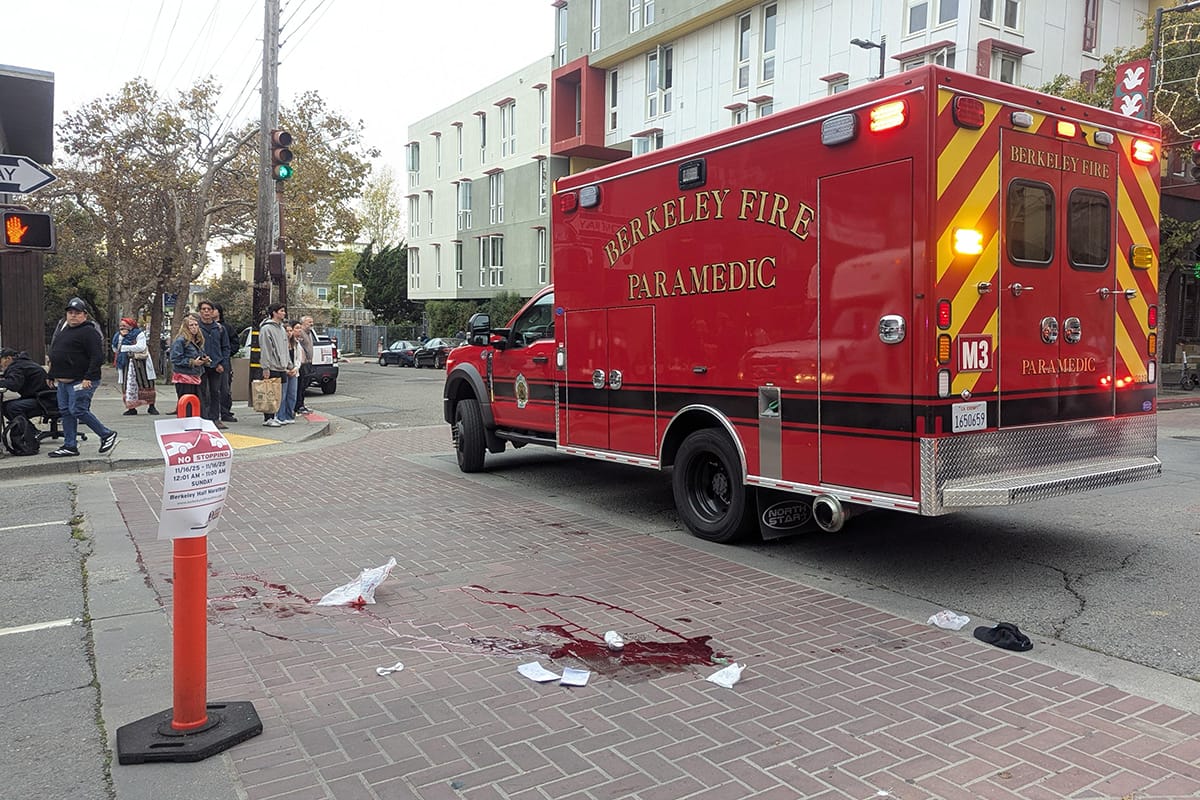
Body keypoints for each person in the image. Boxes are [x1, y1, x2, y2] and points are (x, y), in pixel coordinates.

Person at [46, 297, 119, 458]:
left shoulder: (89, 332)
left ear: (84, 315)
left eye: (77, 313)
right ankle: (70, 445)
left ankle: (106, 434)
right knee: (65, 412)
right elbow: (56, 353)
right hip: (63, 381)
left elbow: (97, 357)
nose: (73, 315)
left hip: (81, 380)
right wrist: (51, 375)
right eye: (70, 312)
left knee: (77, 409)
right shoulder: (65, 329)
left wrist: (88, 377)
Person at [113, 317, 160, 416]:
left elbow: (140, 347)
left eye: (124, 325)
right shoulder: (118, 336)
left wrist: (124, 347)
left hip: (140, 363)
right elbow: (115, 348)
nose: (122, 327)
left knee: (146, 384)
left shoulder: (139, 334)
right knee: (128, 385)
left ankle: (151, 406)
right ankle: (131, 408)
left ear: (131, 325)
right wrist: (122, 339)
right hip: (126, 363)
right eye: (121, 325)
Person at [257, 303, 294, 428]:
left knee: (279, 394)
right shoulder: (266, 328)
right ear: (274, 312)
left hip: (282, 366)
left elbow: (285, 348)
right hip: (272, 365)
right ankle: (268, 418)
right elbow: (266, 349)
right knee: (270, 392)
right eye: (281, 311)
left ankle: (275, 416)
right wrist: (265, 367)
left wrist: (289, 364)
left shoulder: (282, 328)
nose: (284, 313)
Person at [196, 300, 230, 430]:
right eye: (203, 309)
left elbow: (225, 347)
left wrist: (222, 363)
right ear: (200, 312)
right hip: (201, 366)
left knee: (216, 392)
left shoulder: (220, 328)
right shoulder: (196, 328)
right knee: (202, 393)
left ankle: (215, 418)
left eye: (209, 309)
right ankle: (203, 419)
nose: (206, 312)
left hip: (216, 366)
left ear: (213, 312)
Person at [0, 347, 50, 429]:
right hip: (43, 397)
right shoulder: (22, 363)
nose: (0, 365)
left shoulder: (16, 367)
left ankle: (30, 432)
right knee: (6, 407)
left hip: (43, 400)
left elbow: (14, 385)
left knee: (11, 408)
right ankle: (25, 431)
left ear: (8, 358)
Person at [169, 314, 208, 407]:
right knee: (188, 405)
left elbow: (199, 354)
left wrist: (204, 359)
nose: (194, 327)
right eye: (191, 325)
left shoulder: (197, 340)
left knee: (199, 404)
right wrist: (192, 362)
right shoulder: (181, 340)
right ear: (186, 327)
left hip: (197, 374)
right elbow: (175, 358)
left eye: (196, 325)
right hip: (184, 376)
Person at [213, 303, 238, 423]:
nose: (210, 312)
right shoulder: (203, 327)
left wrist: (226, 356)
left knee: (225, 388)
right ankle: (211, 413)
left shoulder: (226, 327)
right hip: (209, 362)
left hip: (224, 362)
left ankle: (225, 412)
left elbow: (234, 344)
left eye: (213, 309)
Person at [293, 315, 315, 416]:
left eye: (312, 322)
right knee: (300, 385)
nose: (311, 324)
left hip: (308, 363)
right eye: (309, 322)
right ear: (302, 323)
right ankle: (298, 406)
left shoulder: (309, 333)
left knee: (304, 385)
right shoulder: (300, 333)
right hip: (301, 364)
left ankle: (301, 404)